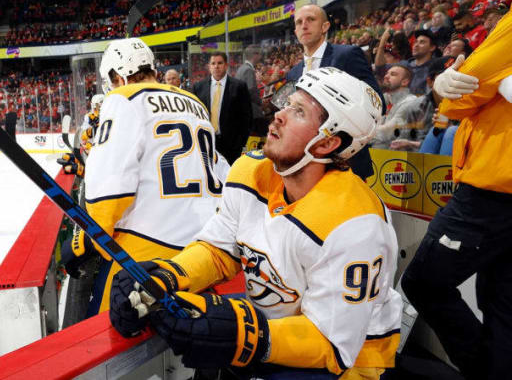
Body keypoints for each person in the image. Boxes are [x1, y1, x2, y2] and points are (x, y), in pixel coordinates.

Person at [110, 68, 401, 380]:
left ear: (327, 143)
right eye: (287, 104)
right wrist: (169, 275)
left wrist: (245, 335)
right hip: (279, 325)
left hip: (346, 361)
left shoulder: (356, 225)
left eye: (298, 111)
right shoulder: (250, 170)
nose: (279, 116)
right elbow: (219, 250)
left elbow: (331, 345)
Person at [67, 38, 224, 316]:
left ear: (118, 76)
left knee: (101, 334)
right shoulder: (195, 102)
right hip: (200, 252)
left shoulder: (123, 98)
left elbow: (110, 188)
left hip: (146, 249)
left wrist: (85, 241)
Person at [401, 10, 512, 380]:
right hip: (495, 183)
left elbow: (458, 96)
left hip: (492, 189)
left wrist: (447, 85)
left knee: (424, 282)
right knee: (502, 303)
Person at [287, 4, 384, 180]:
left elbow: (377, 102)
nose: (304, 25)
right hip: (306, 162)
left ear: (325, 26)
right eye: (299, 22)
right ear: (295, 32)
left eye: (310, 19)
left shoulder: (347, 55)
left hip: (345, 161)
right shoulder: (293, 72)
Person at [192, 53, 253, 164]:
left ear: (226, 65)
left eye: (220, 63)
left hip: (232, 145)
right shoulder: (198, 87)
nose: (216, 66)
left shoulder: (239, 86)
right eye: (213, 63)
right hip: (207, 142)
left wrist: (240, 143)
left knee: (229, 177)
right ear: (209, 66)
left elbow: (247, 117)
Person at [371, 65, 416, 149]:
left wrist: (360, 133)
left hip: (401, 155)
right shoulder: (385, 98)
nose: (386, 76)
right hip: (379, 149)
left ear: (404, 82)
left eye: (393, 74)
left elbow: (386, 133)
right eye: (387, 73)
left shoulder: (410, 102)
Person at [236, 45, 266, 135]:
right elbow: (251, 91)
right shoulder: (249, 70)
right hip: (252, 112)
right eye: (260, 54)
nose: (260, 57)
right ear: (255, 55)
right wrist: (261, 102)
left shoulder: (241, 69)